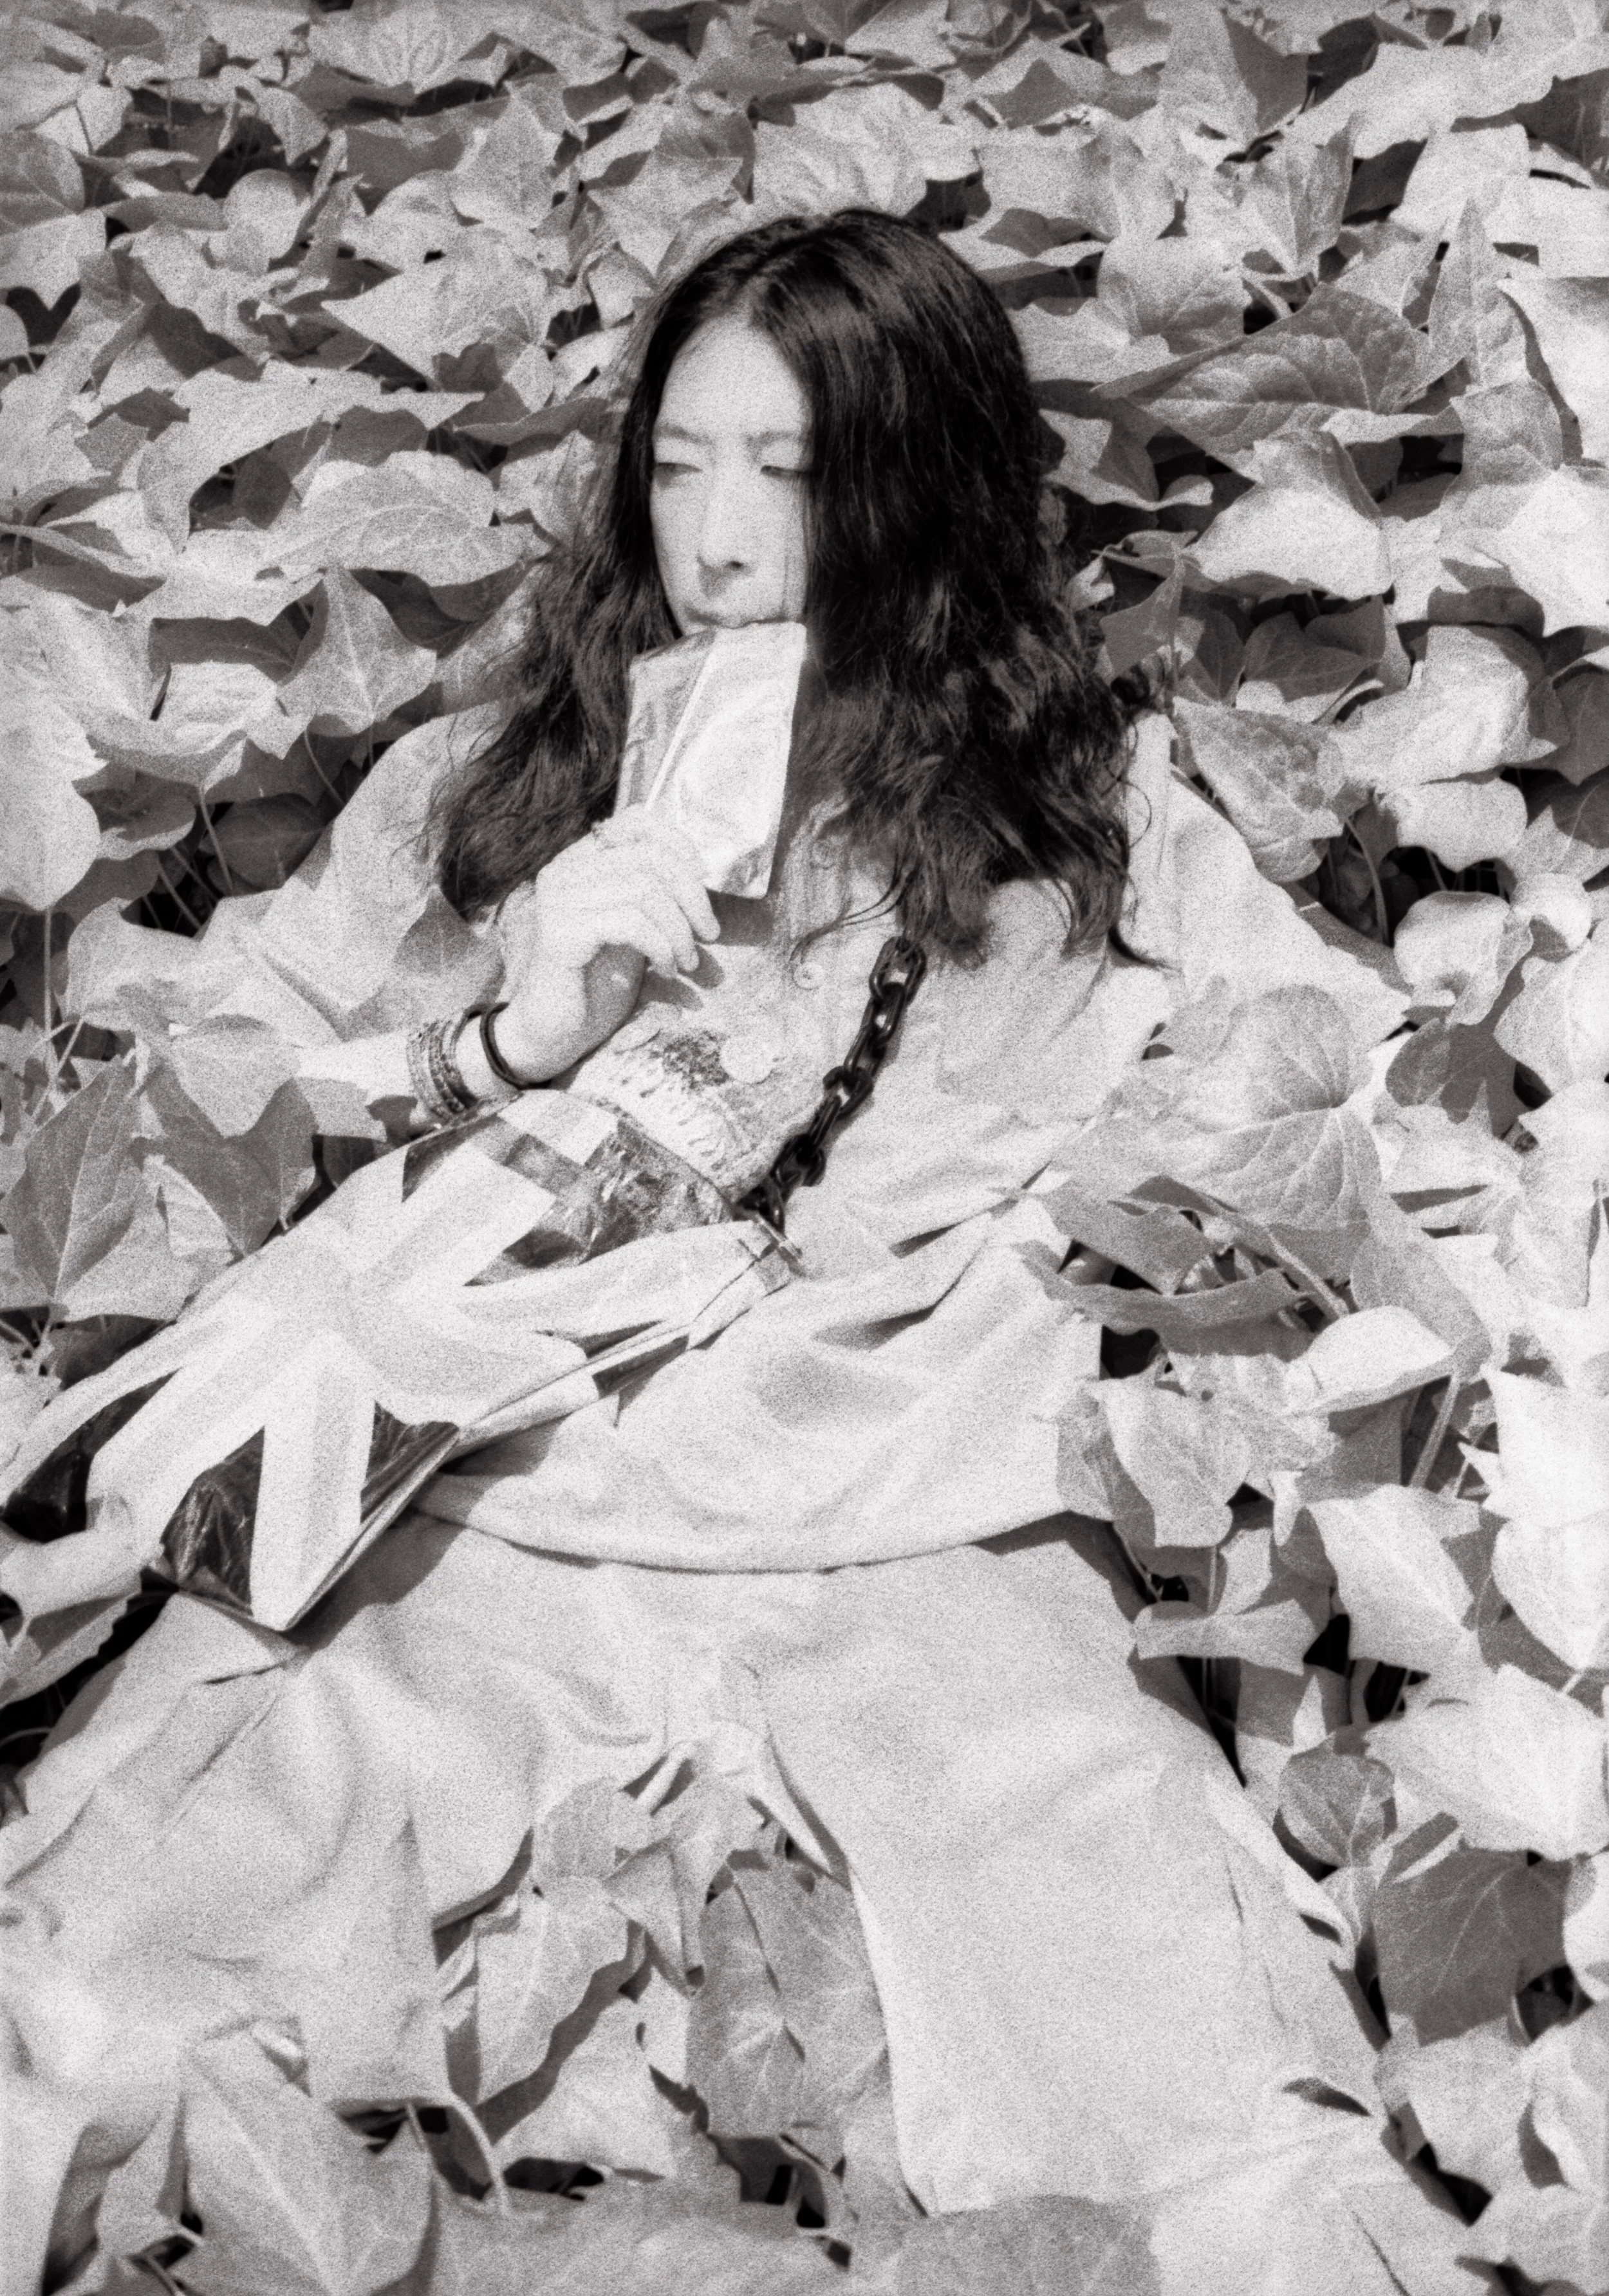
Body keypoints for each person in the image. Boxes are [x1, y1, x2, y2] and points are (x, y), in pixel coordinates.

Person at [0, 211, 1476, 2295]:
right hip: (510, 1504)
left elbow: (1355, 1101)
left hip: (934, 1522)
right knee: (108, 1980)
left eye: (789, 476)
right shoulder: (493, 776)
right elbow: (213, 1102)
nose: (715, 535)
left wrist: (1099, 1189)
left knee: (1184, 2115)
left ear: (926, 491)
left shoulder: (1095, 808)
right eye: (678, 464)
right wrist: (509, 1033)